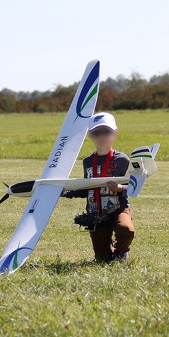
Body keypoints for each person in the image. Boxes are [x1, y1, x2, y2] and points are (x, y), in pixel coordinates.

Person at [63, 112, 134, 263]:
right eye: (96, 133)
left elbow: (133, 187)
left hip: (117, 208)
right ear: (90, 135)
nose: (101, 136)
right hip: (95, 212)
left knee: (126, 230)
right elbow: (87, 188)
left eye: (106, 132)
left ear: (115, 133)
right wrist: (66, 192)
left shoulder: (122, 160)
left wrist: (120, 188)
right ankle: (111, 253)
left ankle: (121, 252)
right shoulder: (88, 161)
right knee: (103, 260)